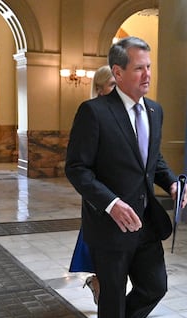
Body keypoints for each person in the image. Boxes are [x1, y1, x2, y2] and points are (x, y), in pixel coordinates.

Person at [65, 37, 187, 318]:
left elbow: (152, 159)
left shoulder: (154, 111)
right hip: (110, 228)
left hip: (146, 224)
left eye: (149, 66)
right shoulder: (94, 112)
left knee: (155, 286)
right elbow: (77, 169)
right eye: (139, 67)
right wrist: (111, 203)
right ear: (117, 73)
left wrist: (170, 182)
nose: (147, 74)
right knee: (114, 300)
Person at [69, 65, 116, 305]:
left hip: (124, 194)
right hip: (100, 194)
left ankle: (102, 285)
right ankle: (99, 282)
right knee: (99, 242)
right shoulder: (91, 115)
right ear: (99, 89)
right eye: (112, 85)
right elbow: (78, 166)